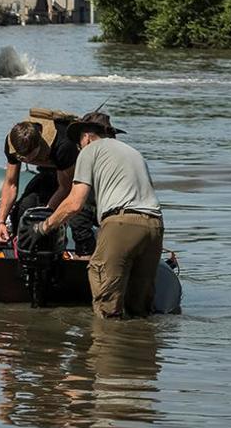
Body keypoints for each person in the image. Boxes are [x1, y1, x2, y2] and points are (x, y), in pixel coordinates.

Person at [28, 112, 164, 320]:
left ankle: (105, 347)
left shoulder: (89, 151)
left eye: (79, 143)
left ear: (87, 137)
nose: (78, 147)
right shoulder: (133, 152)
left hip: (121, 224)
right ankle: (141, 349)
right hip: (154, 226)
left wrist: (44, 226)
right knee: (140, 309)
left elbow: (74, 203)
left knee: (106, 305)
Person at [0, 108, 97, 256]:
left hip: (79, 177)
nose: (27, 160)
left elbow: (65, 188)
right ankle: (21, 255)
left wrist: (45, 218)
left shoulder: (63, 144)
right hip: (50, 172)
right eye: (22, 158)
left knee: (77, 221)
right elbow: (11, 184)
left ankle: (81, 255)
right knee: (23, 209)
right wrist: (1, 222)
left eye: (31, 156)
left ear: (40, 145)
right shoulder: (12, 145)